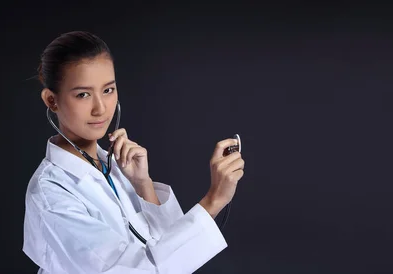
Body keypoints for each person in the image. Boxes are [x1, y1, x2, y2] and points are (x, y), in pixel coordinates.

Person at [22, 31, 245, 274]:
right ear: (51, 100)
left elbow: (172, 256)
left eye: (108, 90)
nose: (100, 108)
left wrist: (143, 184)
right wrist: (214, 200)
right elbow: (137, 270)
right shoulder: (51, 193)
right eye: (83, 94)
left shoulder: (114, 166)